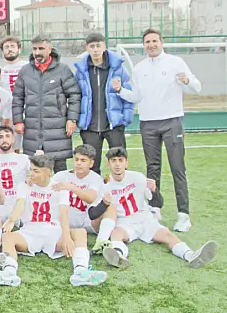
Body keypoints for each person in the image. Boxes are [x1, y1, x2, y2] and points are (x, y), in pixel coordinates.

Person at [114, 28, 201, 232]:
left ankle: (183, 215)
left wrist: (187, 81)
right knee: (152, 168)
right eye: (147, 42)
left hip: (172, 121)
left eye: (154, 41)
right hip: (148, 123)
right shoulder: (140, 68)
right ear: (144, 45)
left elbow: (195, 87)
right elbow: (136, 97)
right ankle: (155, 209)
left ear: (161, 42)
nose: (151, 45)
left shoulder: (175, 62)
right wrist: (120, 91)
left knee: (177, 167)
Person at [0, 154, 108, 287]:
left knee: (80, 233)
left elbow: (63, 213)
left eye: (36, 171)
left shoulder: (59, 188)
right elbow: (20, 203)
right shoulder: (25, 186)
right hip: (30, 231)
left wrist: (66, 237)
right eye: (31, 170)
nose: (31, 174)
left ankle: (81, 272)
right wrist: (13, 219)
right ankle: (9, 273)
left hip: (52, 232)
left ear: (47, 172)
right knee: (7, 237)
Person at [90, 147, 217, 270]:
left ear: (126, 162)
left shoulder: (137, 177)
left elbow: (158, 202)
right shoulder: (105, 185)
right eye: (113, 161)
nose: (117, 165)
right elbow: (92, 214)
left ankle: (190, 255)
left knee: (167, 234)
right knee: (116, 234)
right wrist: (104, 204)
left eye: (120, 160)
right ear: (108, 163)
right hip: (124, 222)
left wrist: (154, 191)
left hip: (144, 219)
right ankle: (119, 256)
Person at [12, 35, 81, 173]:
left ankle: (62, 195)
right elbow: (18, 97)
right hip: (33, 130)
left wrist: (72, 119)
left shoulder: (63, 69)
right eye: (34, 49)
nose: (37, 52)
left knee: (60, 171)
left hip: (58, 129)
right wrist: (18, 120)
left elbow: (74, 95)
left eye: (41, 48)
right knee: (35, 171)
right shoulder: (25, 71)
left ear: (50, 49)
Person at [73, 32, 133, 174]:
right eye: (92, 46)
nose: (95, 49)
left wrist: (125, 118)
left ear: (104, 46)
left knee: (119, 164)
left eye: (98, 45)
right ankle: (94, 196)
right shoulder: (81, 71)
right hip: (90, 127)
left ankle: (120, 194)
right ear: (87, 48)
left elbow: (128, 93)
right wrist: (77, 119)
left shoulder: (118, 68)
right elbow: (76, 96)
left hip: (114, 125)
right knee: (92, 168)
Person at [51, 144, 104, 233]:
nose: (78, 163)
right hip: (64, 222)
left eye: (83, 160)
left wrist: (72, 187)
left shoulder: (96, 178)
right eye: (76, 159)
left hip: (87, 223)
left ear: (91, 163)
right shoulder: (61, 175)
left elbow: (90, 198)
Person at [0, 126, 30, 222]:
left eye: (7, 136)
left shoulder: (24, 159)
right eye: (0, 137)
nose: (4, 140)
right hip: (0, 206)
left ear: (13, 139)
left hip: (20, 204)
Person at [0, 36, 28, 152]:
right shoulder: (1, 71)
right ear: (2, 52)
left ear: (19, 49)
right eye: (6, 47)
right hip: (10, 115)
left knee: (32, 149)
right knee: (13, 148)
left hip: (29, 112)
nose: (9, 49)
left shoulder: (28, 66)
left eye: (12, 46)